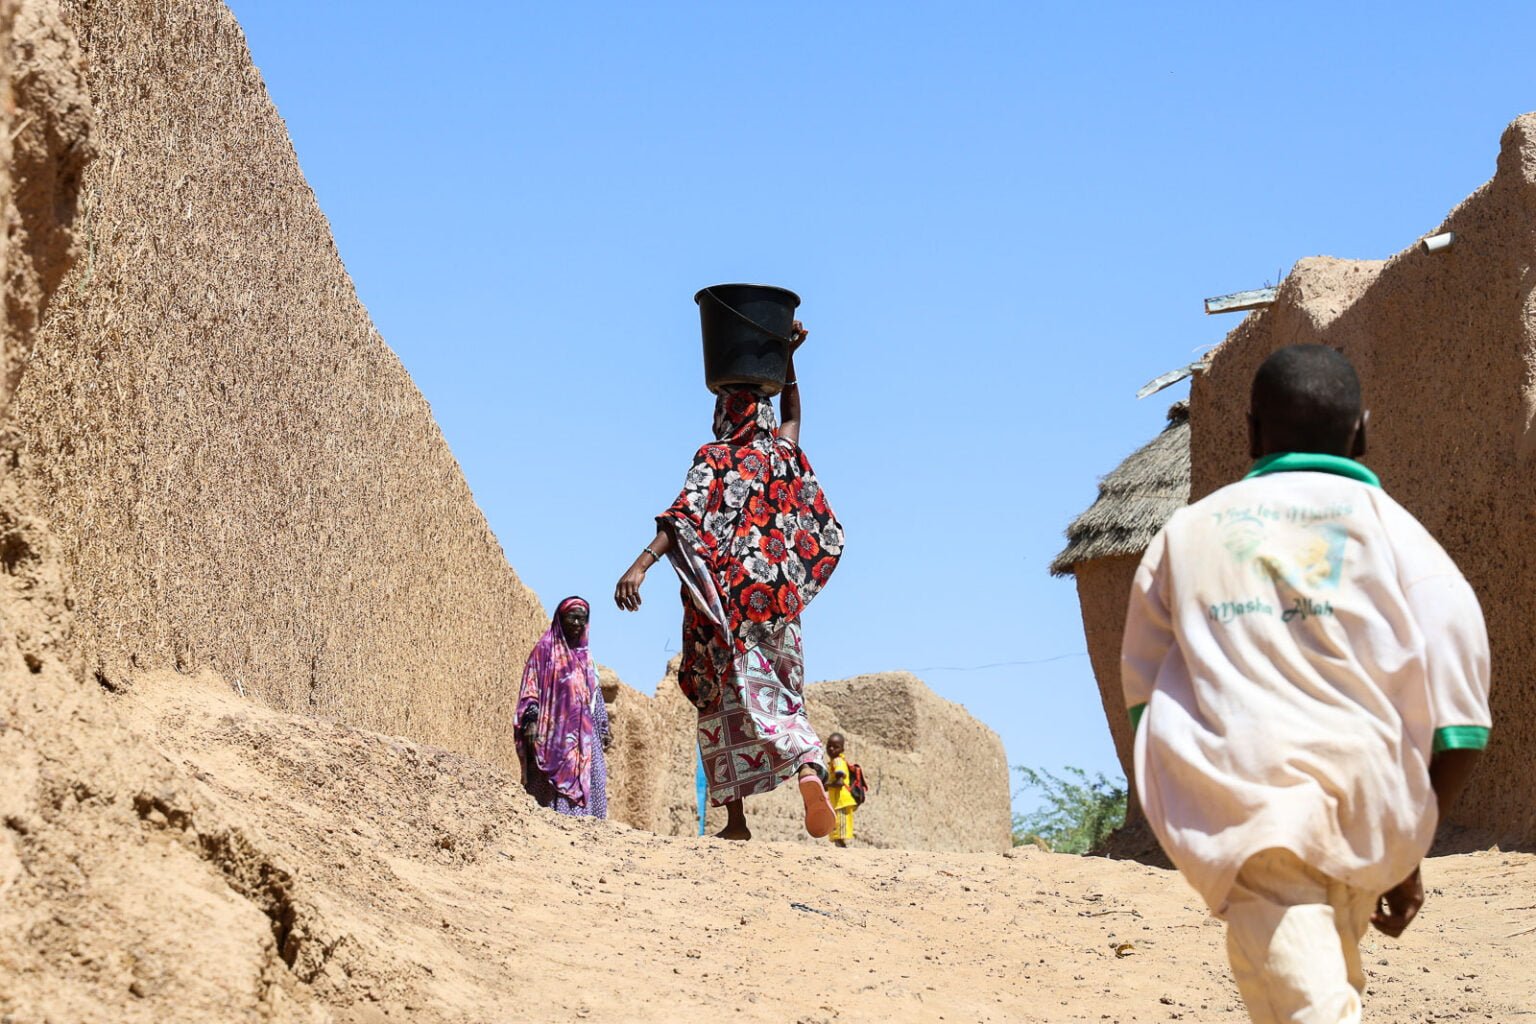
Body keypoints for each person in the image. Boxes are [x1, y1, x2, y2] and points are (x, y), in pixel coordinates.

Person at [1122, 344, 1492, 1024]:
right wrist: (1404, 844)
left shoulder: (1185, 536)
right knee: (1325, 998)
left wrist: (1201, 807)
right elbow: (1462, 724)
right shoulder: (1404, 540)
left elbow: (1146, 700)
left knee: (1312, 1008)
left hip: (1254, 820)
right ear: (1363, 431)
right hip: (1368, 813)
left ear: (1251, 431)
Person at [614, 321, 845, 841]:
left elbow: (682, 518)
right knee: (781, 698)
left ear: (722, 414)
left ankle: (735, 820)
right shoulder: (780, 454)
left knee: (721, 703)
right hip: (778, 608)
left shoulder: (714, 457)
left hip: (724, 609)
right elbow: (793, 414)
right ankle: (808, 769)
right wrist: (787, 358)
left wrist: (641, 565)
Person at [516, 596, 611, 819]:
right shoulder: (545, 651)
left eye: (582, 619)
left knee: (592, 778)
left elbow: (595, 696)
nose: (577, 623)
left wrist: (604, 727)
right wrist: (530, 720)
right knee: (550, 786)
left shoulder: (586, 658)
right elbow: (531, 687)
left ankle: (585, 830)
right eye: (572, 618)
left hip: (584, 737)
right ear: (560, 618)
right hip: (552, 736)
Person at [825, 732, 857, 848]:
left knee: (840, 832)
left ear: (842, 749)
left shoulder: (838, 761)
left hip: (841, 802)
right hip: (837, 803)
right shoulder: (833, 762)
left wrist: (827, 784)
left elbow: (839, 782)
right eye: (829, 746)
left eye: (835, 747)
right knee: (836, 832)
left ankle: (843, 852)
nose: (831, 749)